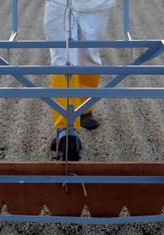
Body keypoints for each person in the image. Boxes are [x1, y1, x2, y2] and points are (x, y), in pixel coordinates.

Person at [44, 0, 115, 160]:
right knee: (63, 60)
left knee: (89, 57)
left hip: (96, 4)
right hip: (58, 3)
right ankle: (66, 130)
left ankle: (83, 107)